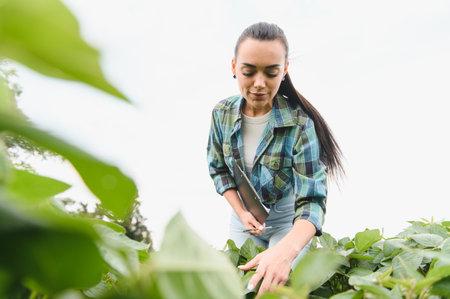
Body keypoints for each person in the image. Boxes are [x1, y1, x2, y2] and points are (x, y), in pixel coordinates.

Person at [206, 22, 344, 297]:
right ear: (234, 67)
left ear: (284, 70)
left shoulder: (300, 125)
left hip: (288, 224)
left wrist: (286, 252)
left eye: (271, 73)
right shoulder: (221, 113)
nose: (259, 83)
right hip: (243, 223)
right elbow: (219, 169)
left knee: (276, 287)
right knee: (239, 288)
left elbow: (311, 202)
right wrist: (242, 212)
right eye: (248, 71)